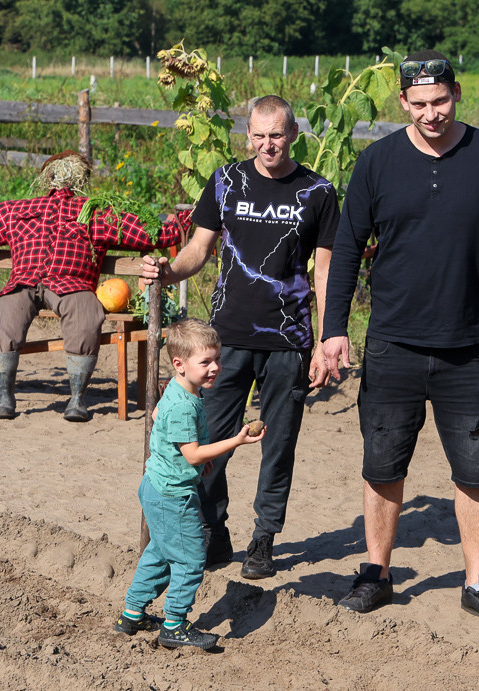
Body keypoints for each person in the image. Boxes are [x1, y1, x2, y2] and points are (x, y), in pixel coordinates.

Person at [321, 50, 479, 627]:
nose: (431, 114)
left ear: (457, 93)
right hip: (394, 343)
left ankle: (477, 582)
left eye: (440, 101)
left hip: (471, 347)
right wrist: (334, 329)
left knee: (475, 468)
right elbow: (346, 250)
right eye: (419, 105)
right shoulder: (377, 163)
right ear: (402, 104)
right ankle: (376, 573)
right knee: (383, 465)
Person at [141, 95, 339, 579]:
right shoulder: (226, 181)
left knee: (278, 445)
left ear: (293, 134)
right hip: (224, 340)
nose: (268, 144)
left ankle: (264, 540)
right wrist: (168, 272)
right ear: (247, 135)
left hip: (288, 340)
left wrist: (328, 336)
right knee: (210, 441)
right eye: (259, 135)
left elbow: (327, 273)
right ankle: (213, 528)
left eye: (277, 134)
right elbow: (198, 250)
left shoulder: (318, 191)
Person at [0, 151, 180, 422]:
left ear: (46, 179)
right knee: (11, 310)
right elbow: (150, 233)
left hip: (70, 285)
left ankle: (75, 399)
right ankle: (7, 397)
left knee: (80, 313)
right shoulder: (26, 211)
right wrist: (183, 224)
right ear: (83, 179)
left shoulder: (91, 214)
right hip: (26, 283)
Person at [113, 318, 265, 649]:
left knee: (158, 554)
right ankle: (175, 626)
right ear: (180, 364)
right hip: (173, 496)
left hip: (156, 488)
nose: (215, 368)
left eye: (217, 359)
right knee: (190, 560)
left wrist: (183, 453)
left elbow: (156, 419)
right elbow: (193, 455)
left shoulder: (177, 390)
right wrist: (236, 440)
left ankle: (131, 615)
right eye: (206, 362)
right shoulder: (184, 405)